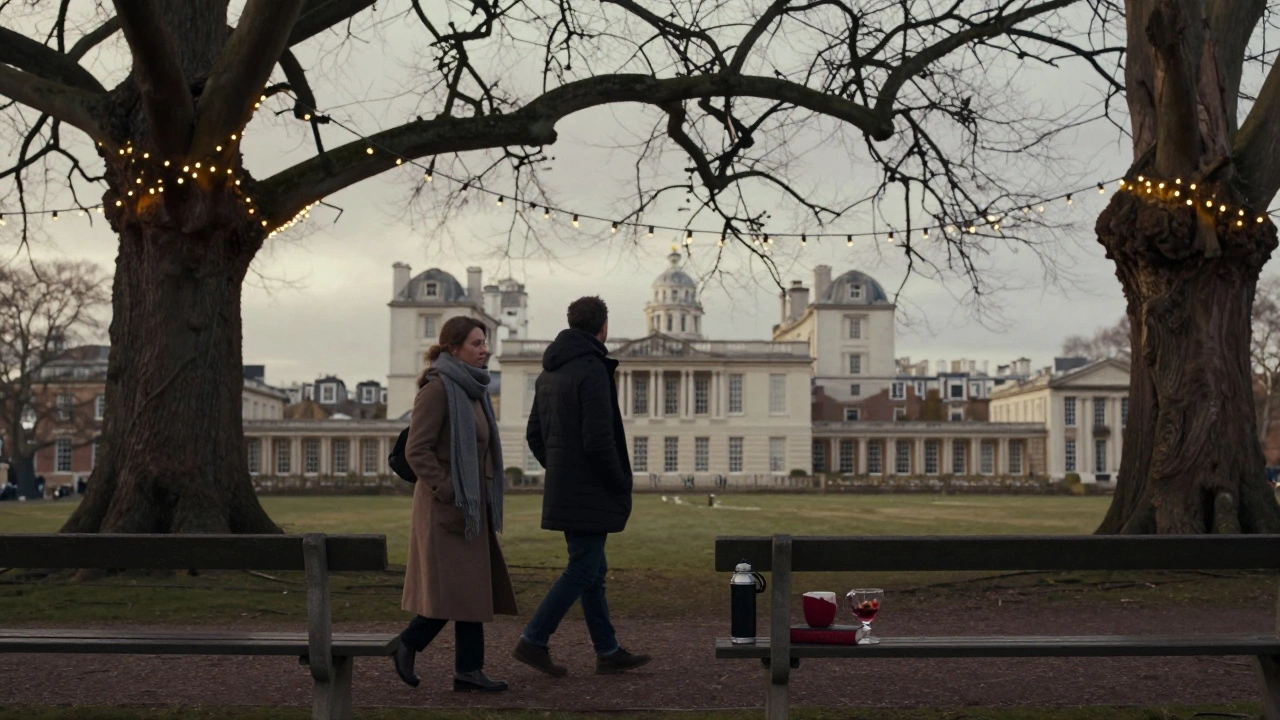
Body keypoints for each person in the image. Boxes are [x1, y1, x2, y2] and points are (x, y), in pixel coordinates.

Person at [514, 296, 651, 676]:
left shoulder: (549, 373)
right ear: (602, 328)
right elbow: (598, 440)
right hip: (590, 490)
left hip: (568, 488)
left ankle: (607, 650)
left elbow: (533, 435)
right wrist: (619, 481)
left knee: (593, 570)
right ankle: (533, 640)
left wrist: (560, 468)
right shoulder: (592, 369)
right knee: (581, 570)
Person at [393, 316, 517, 692]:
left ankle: (468, 670)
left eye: (485, 342)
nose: (485, 350)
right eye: (477, 344)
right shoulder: (438, 388)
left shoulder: (474, 389)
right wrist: (448, 489)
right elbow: (417, 450)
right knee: (458, 590)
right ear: (453, 348)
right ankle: (407, 643)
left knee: (471, 588)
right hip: (447, 508)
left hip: (471, 507)